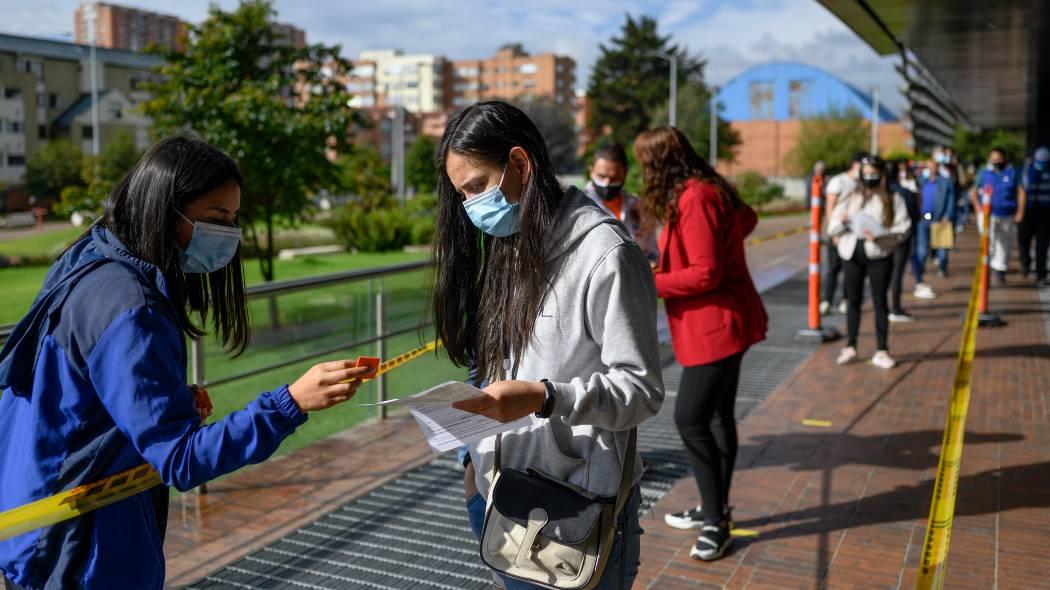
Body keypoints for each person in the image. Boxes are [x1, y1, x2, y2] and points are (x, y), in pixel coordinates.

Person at [0, 137, 374, 590]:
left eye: (235, 219)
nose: (230, 234)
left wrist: (160, 403)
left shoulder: (91, 259)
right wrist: (291, 402)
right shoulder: (131, 307)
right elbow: (180, 459)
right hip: (79, 552)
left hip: (33, 526)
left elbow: (77, 399)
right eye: (217, 218)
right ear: (165, 211)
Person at [432, 101, 664, 589]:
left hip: (578, 512)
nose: (471, 206)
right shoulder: (512, 239)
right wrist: (474, 468)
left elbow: (641, 390)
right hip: (500, 493)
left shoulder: (607, 255)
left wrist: (545, 396)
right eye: (461, 195)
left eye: (476, 187)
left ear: (519, 164)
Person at [633, 127, 768, 562]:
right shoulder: (706, 191)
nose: (643, 171)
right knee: (716, 419)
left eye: (645, 162)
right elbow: (747, 219)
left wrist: (650, 280)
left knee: (691, 419)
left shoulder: (695, 198)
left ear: (659, 163)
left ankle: (716, 524)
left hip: (717, 326)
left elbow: (705, 272)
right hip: (719, 322)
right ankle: (715, 508)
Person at [827, 155, 911, 369]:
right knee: (852, 302)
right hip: (851, 253)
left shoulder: (893, 199)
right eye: (866, 173)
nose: (870, 177)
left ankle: (882, 350)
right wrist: (843, 223)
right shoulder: (850, 197)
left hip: (879, 255)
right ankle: (850, 345)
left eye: (874, 173)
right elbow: (832, 225)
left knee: (879, 302)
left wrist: (881, 236)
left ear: (882, 175)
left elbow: (903, 230)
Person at [582, 141, 658, 258]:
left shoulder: (637, 206)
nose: (607, 183)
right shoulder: (580, 206)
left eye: (614, 178)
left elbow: (651, 250)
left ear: (625, 174)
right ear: (591, 171)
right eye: (602, 176)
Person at [821, 153, 867, 315]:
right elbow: (830, 208)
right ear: (855, 164)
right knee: (833, 267)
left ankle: (846, 300)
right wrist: (833, 233)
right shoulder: (838, 181)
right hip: (838, 230)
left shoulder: (863, 183)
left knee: (851, 268)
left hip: (853, 233)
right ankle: (827, 300)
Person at [972, 148, 1026, 284]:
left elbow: (1021, 192)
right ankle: (986, 268)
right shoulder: (984, 172)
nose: (996, 161)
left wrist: (1020, 211)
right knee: (988, 241)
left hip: (1007, 214)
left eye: (999, 158)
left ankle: (1000, 270)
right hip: (987, 215)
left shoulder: (1013, 172)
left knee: (1004, 243)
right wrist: (978, 208)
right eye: (993, 158)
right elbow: (972, 192)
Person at [911, 157, 956, 299]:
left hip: (939, 218)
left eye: (933, 166)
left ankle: (942, 267)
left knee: (942, 246)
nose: (931, 169)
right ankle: (920, 269)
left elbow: (951, 200)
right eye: (929, 166)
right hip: (925, 218)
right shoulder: (921, 181)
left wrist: (948, 215)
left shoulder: (945, 182)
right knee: (922, 248)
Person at [888, 160, 920, 322]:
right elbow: (917, 216)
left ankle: (886, 307)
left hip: (879, 240)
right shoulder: (905, 192)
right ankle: (895, 308)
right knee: (896, 274)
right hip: (901, 239)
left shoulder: (876, 192)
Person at [1020, 147, 1050, 284]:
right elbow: (1021, 189)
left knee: (1042, 245)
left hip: (1045, 212)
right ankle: (1026, 263)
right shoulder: (1027, 171)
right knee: (1024, 240)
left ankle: (1041, 275)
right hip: (1028, 210)